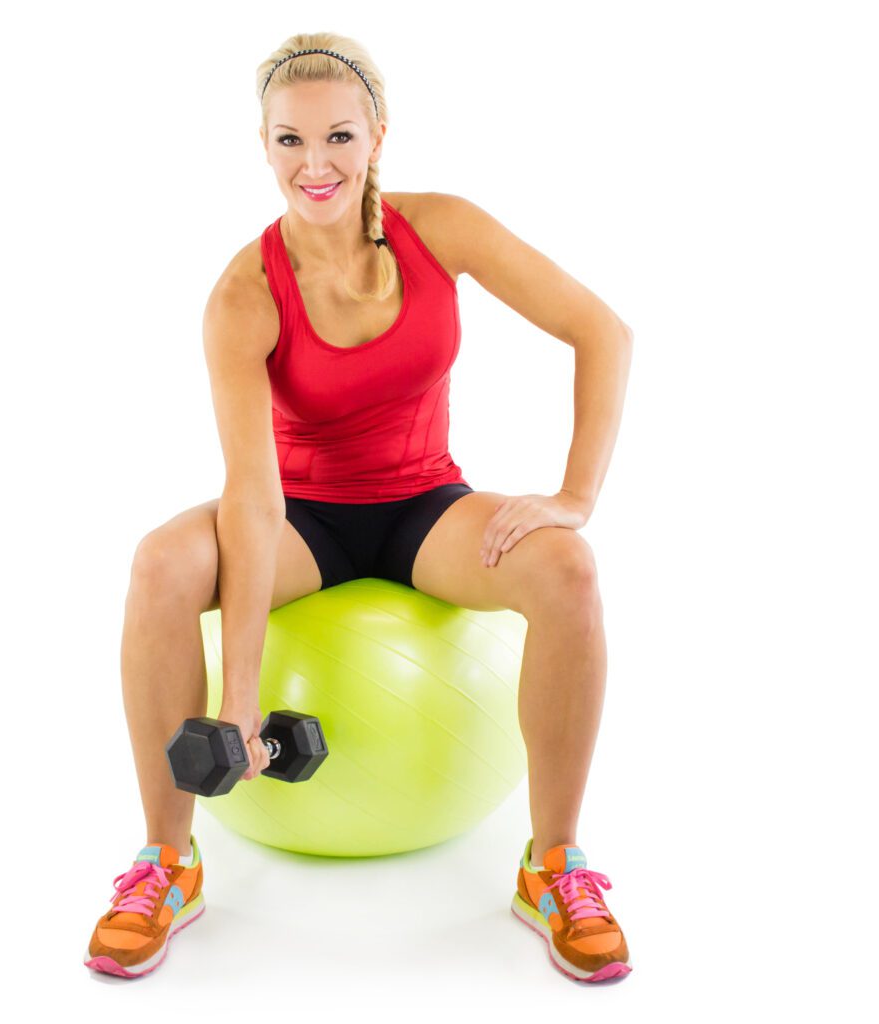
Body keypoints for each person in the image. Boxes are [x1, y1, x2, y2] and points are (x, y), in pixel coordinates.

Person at [85, 31, 635, 984]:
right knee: (159, 562)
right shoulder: (244, 294)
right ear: (263, 147)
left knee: (567, 570)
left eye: (338, 136)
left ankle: (555, 866)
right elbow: (253, 499)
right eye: (290, 142)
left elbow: (602, 331)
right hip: (303, 519)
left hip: (426, 504)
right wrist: (244, 696)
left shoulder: (443, 229)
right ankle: (165, 863)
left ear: (378, 134)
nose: (316, 164)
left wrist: (574, 496)